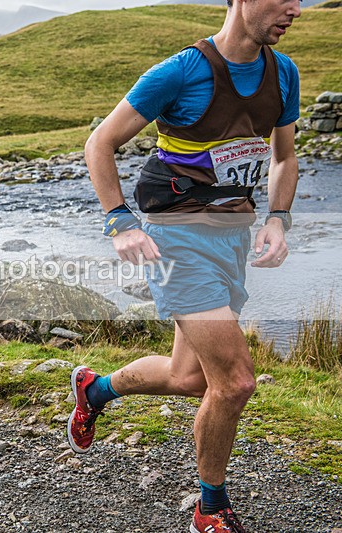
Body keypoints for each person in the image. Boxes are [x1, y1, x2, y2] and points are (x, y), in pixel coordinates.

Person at [74, 0, 301, 531]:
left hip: (232, 237)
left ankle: (94, 389)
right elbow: (100, 143)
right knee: (236, 381)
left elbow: (283, 157)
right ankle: (209, 508)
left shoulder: (282, 72)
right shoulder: (182, 71)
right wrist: (120, 222)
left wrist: (278, 219)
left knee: (188, 377)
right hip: (176, 237)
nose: (295, 8)